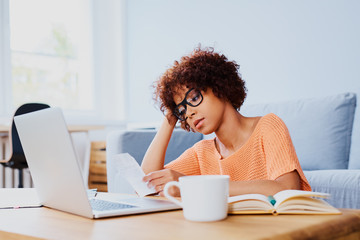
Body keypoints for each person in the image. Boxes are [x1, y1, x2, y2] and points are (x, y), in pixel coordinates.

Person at [142, 46, 311, 197]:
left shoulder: (268, 126)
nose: (190, 113)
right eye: (182, 110)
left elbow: (287, 188)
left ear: (219, 87)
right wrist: (169, 119)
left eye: (194, 98)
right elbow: (147, 185)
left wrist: (193, 186)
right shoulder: (201, 153)